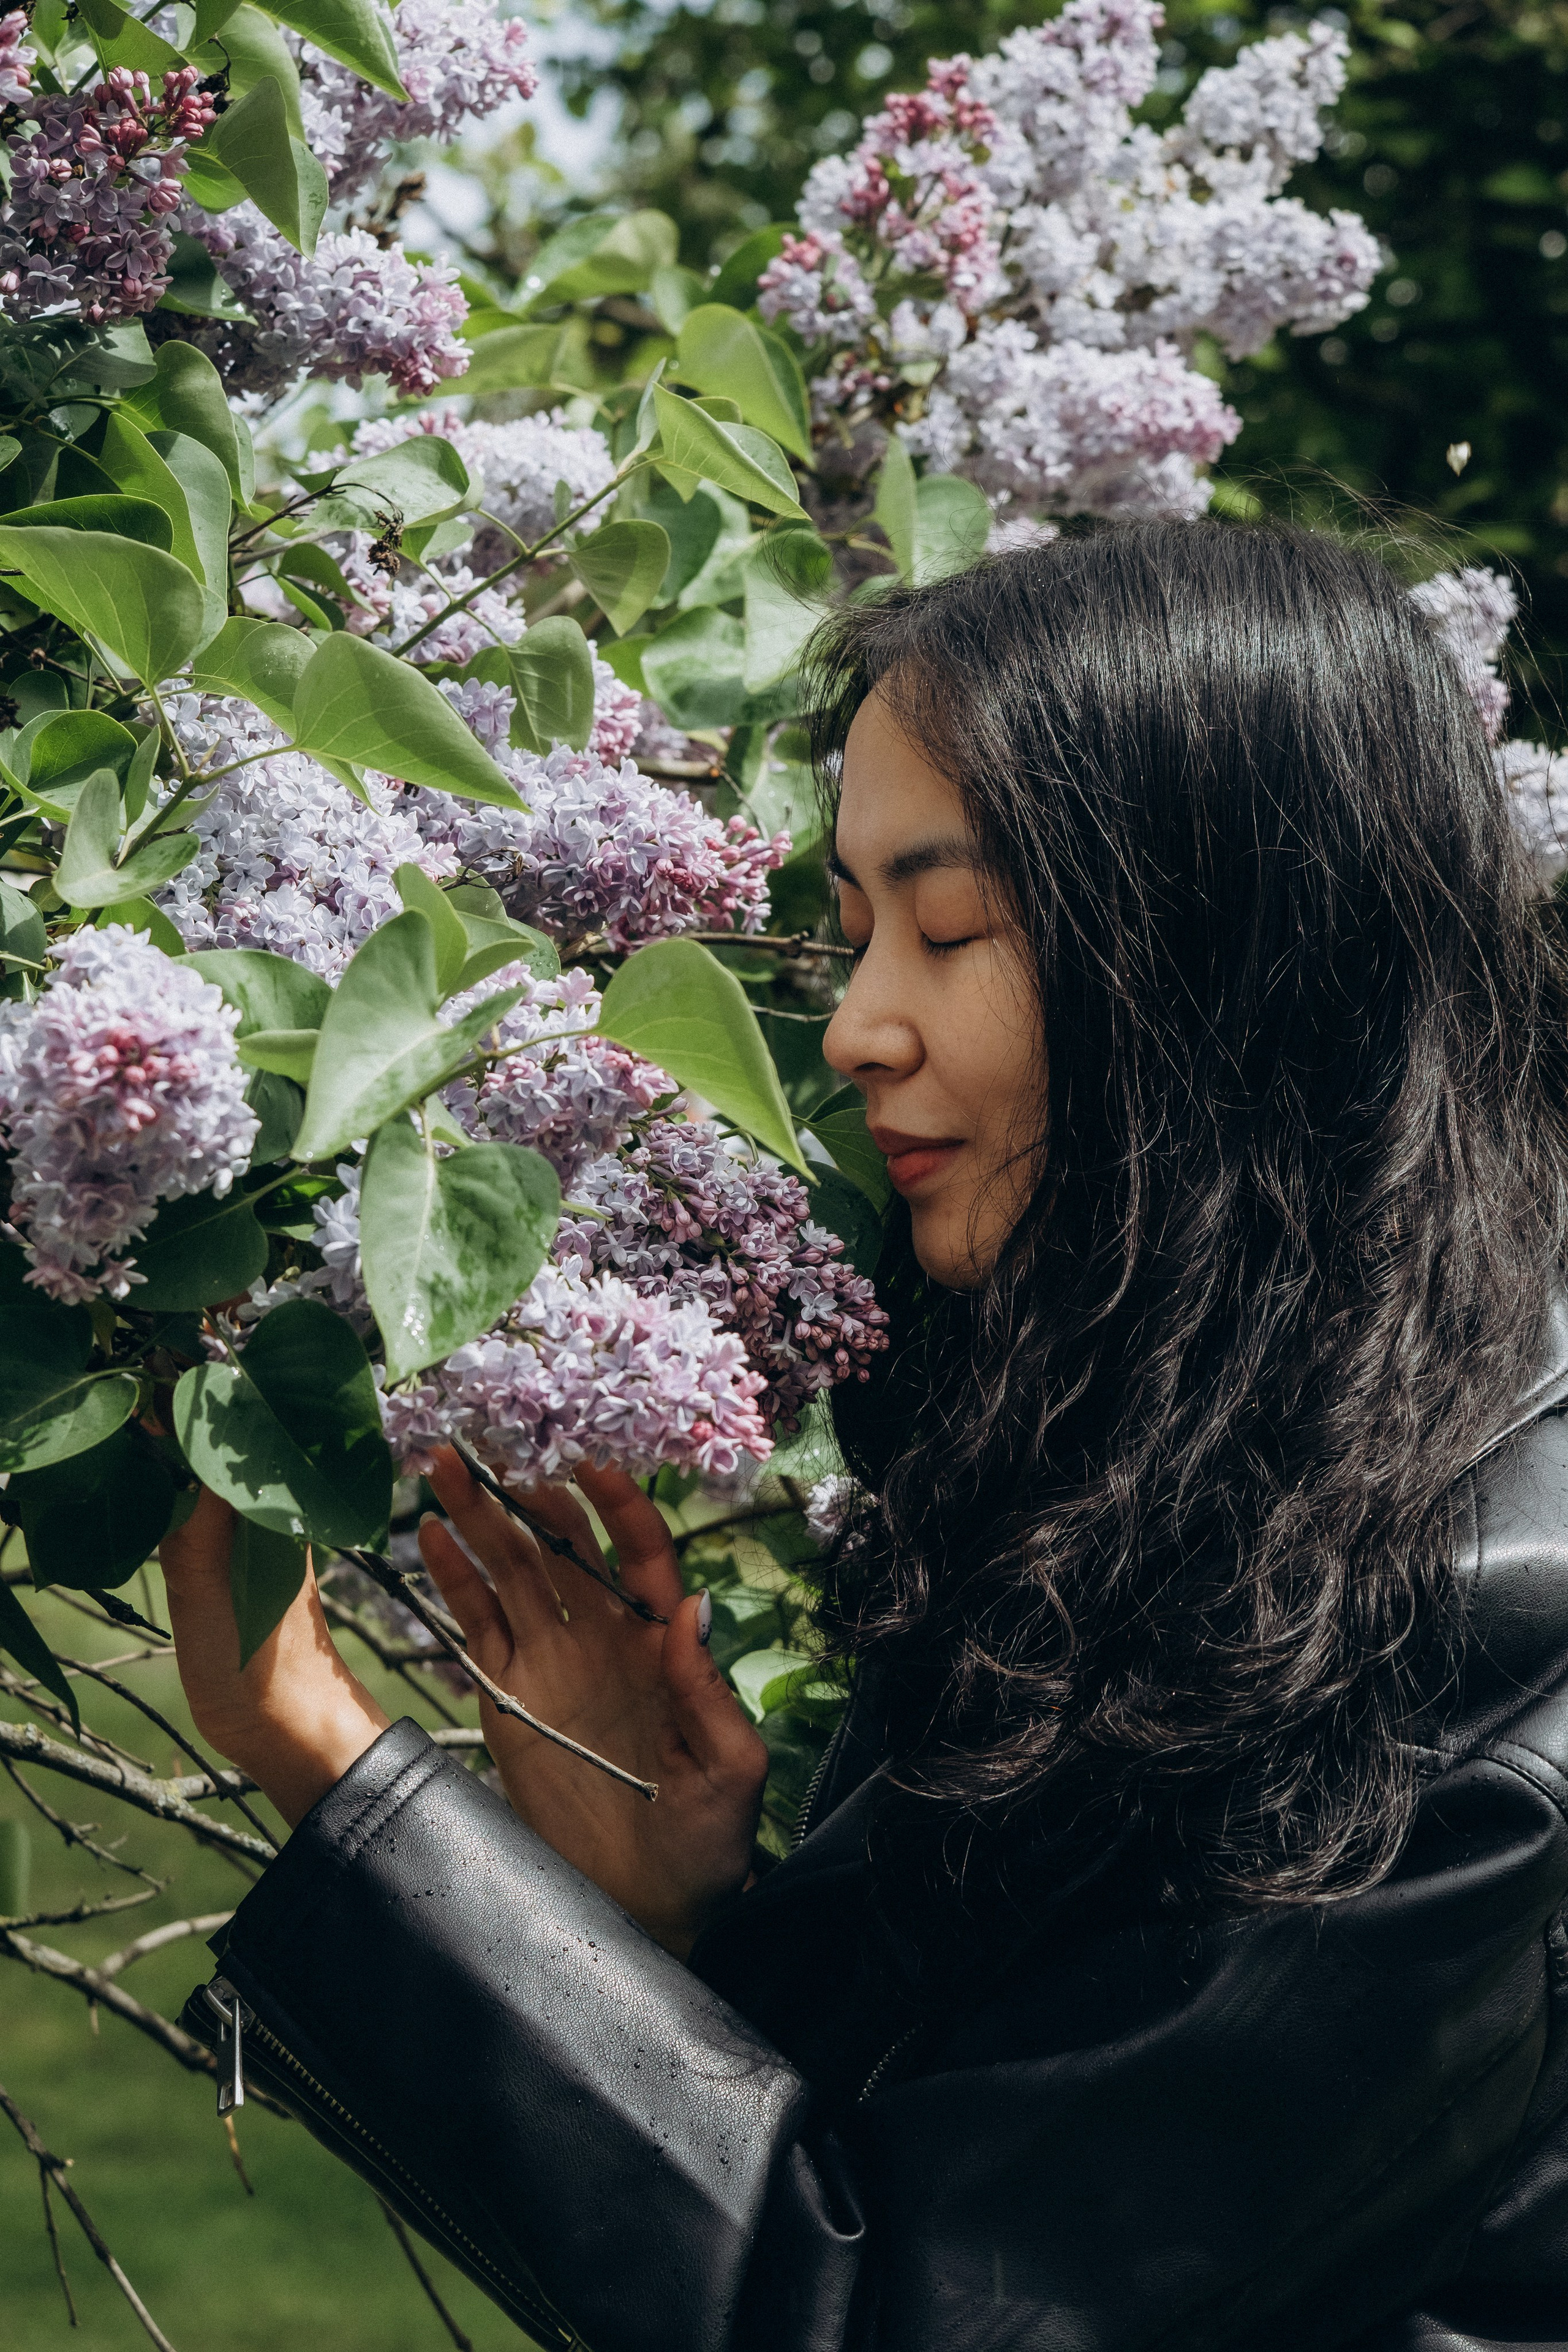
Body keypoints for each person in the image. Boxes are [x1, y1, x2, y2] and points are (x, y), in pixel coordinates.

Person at [161, 521, 1568, 2352]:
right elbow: (1000, 2135)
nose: (856, 1026)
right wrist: (689, 1918)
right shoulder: (1221, 1437)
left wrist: (337, 1769)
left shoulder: (1493, 1637)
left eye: (953, 925)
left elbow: (903, 2318)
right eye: (851, 929)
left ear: (1229, 949)